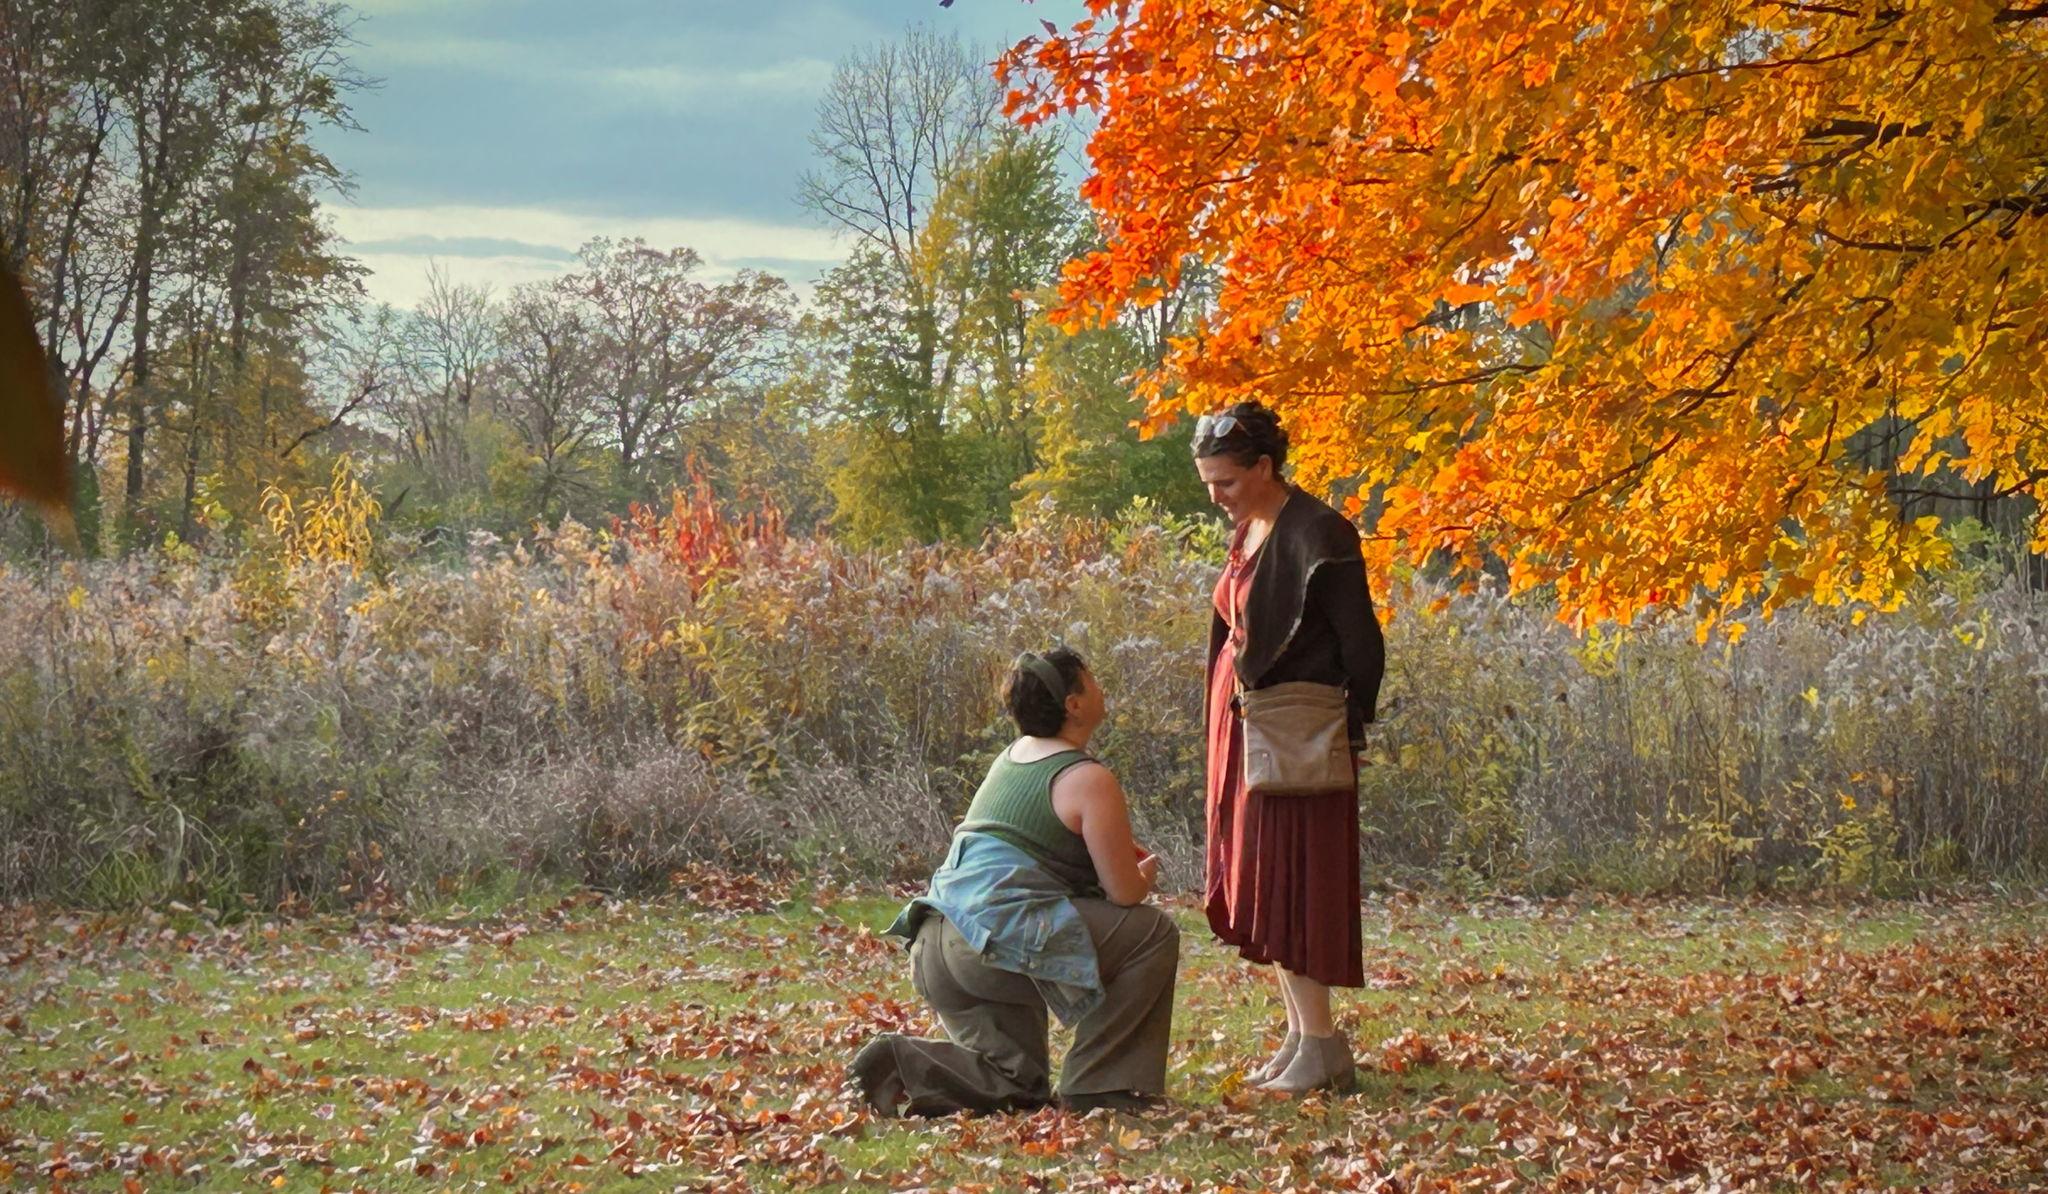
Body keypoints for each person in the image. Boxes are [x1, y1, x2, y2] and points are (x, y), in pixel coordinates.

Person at [849, 647, 1181, 1116]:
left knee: (1019, 1085)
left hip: (936, 941)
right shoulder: (1087, 777)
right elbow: (1124, 893)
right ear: (1073, 704)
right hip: (993, 944)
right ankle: (1098, 1087)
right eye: (1092, 679)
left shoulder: (1009, 758)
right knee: (1153, 933)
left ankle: (902, 1062)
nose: (1101, 686)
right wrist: (1143, 875)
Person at [1194, 400, 1385, 1095]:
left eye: (1226, 482)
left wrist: (1344, 731)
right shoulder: (1250, 528)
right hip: (1249, 729)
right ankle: (1304, 1038)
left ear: (1265, 466)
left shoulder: (1318, 532)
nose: (1216, 496)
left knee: (1294, 885)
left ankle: (1322, 1043)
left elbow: (1362, 646)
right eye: (1208, 484)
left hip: (1297, 735)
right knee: (1264, 883)